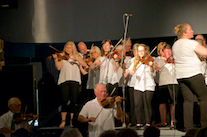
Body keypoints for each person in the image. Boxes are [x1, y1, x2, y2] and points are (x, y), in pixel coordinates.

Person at [172, 23, 207, 131]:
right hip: (193, 74)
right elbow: (205, 52)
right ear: (184, 33)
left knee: (187, 101)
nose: (192, 31)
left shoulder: (175, 44)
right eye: (190, 30)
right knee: (204, 98)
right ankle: (204, 127)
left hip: (181, 76)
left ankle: (188, 128)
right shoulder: (190, 43)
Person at [52, 41, 88, 128]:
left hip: (75, 80)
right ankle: (63, 120)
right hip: (64, 80)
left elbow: (85, 65)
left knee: (73, 101)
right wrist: (56, 59)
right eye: (67, 47)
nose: (68, 49)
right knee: (64, 100)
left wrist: (77, 60)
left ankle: (72, 120)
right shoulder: (63, 57)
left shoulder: (77, 56)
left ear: (73, 49)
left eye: (70, 48)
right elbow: (58, 67)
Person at [125, 44, 155, 127]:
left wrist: (151, 66)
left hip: (149, 85)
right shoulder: (136, 61)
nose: (141, 52)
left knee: (147, 104)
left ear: (145, 51)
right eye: (139, 51)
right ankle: (139, 122)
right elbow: (127, 70)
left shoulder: (150, 60)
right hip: (138, 85)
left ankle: (148, 122)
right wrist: (129, 71)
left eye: (142, 50)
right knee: (137, 104)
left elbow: (153, 74)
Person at [155, 44, 178, 128]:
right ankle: (163, 121)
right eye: (166, 51)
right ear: (163, 53)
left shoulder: (175, 60)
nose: (168, 53)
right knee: (162, 103)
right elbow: (157, 68)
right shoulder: (160, 61)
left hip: (174, 83)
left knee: (173, 102)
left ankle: (172, 121)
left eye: (169, 51)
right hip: (163, 84)